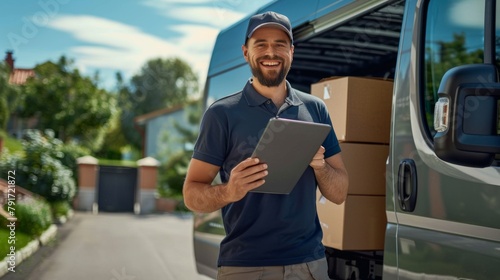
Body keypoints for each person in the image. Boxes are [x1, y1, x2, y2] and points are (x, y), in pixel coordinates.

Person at [183, 11, 349, 280]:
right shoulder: (221, 114)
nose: (270, 52)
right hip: (245, 265)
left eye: (280, 44)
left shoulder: (315, 108)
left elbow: (340, 192)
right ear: (246, 52)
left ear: (291, 51)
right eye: (260, 44)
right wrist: (229, 191)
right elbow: (191, 195)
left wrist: (320, 168)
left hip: (309, 264)